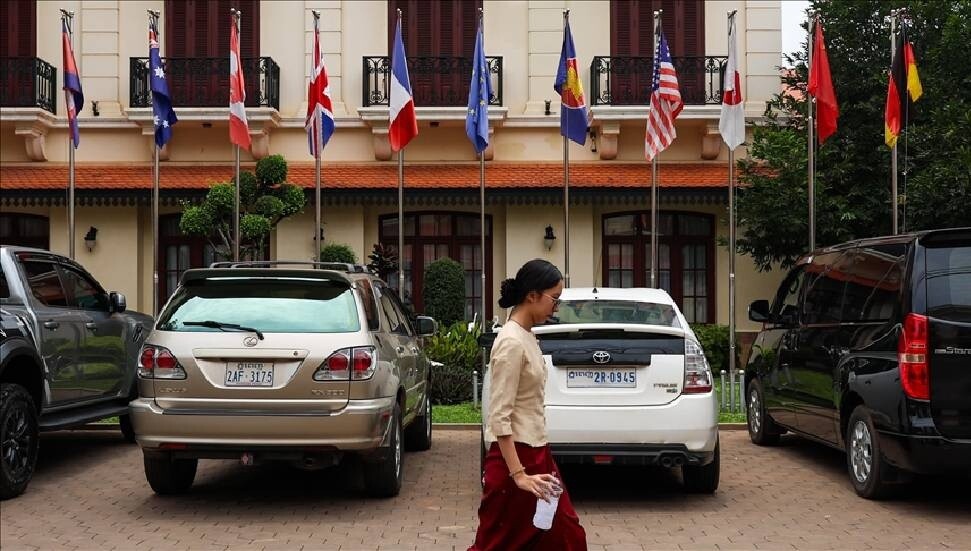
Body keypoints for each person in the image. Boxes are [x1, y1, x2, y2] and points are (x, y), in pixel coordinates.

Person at [469, 259, 587, 551]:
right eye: (554, 299)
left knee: (565, 535)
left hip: (538, 453)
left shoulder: (527, 335)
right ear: (532, 295)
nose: (556, 308)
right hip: (515, 461)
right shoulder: (511, 342)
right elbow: (499, 417)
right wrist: (519, 475)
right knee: (499, 543)